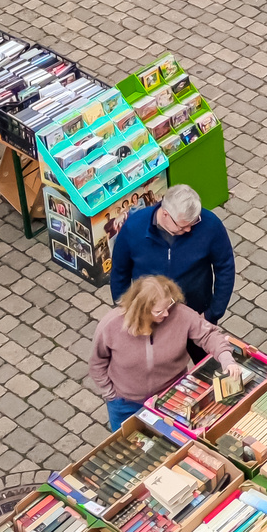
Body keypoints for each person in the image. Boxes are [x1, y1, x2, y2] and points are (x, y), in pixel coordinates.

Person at [87, 275, 231, 434]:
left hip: (172, 399)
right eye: (159, 311)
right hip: (126, 404)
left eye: (169, 305)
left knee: (172, 444)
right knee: (127, 443)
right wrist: (111, 395)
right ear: (142, 310)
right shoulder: (111, 326)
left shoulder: (181, 314)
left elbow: (209, 335)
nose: (167, 314)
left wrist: (226, 359)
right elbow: (97, 363)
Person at [109, 182, 236, 322]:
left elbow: (225, 267)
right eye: (183, 226)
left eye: (193, 223)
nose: (188, 230)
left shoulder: (210, 225)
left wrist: (212, 313)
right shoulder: (133, 227)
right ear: (165, 214)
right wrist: (125, 311)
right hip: (149, 318)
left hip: (196, 315)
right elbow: (120, 272)